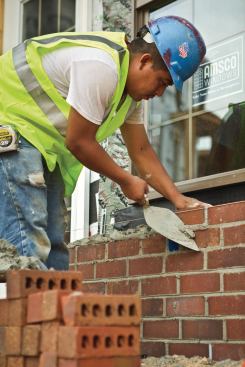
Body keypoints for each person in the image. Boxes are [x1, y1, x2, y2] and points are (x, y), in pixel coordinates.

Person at [0, 16, 208, 270]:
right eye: (162, 81)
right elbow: (78, 141)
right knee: (27, 242)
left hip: (37, 142)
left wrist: (178, 199)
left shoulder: (129, 95)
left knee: (54, 242)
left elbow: (140, 150)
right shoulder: (102, 67)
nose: (160, 93)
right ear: (144, 61)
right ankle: (19, 306)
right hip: (10, 127)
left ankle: (53, 307)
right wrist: (126, 179)